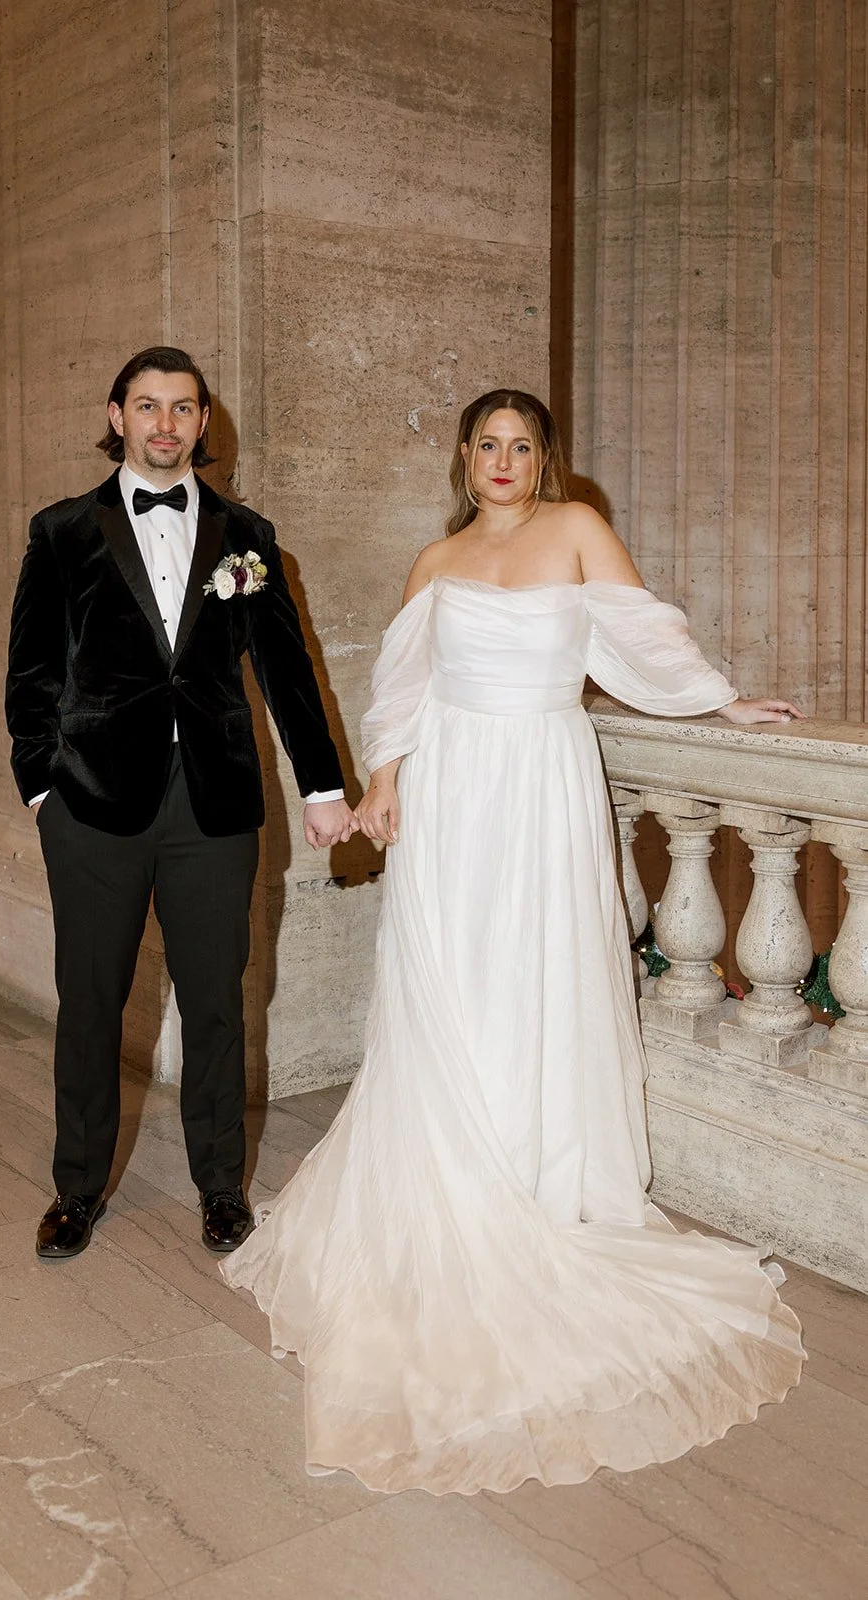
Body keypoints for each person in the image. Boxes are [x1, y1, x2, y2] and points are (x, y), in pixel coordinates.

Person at [221, 389, 806, 1495]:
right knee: (455, 977)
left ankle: (539, 1175)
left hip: (542, 778)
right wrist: (383, 784)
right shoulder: (434, 561)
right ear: (462, 455)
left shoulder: (575, 528)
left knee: (540, 972)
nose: (501, 460)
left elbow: (643, 634)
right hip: (452, 791)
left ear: (544, 458)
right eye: (485, 444)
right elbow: (401, 693)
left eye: (520, 445)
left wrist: (721, 703)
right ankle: (455, 1172)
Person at [5, 346, 357, 1261]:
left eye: (183, 407)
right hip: (90, 807)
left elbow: (286, 670)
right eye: (147, 406)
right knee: (91, 1003)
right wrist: (41, 788)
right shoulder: (61, 531)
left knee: (217, 1005)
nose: (165, 424)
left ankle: (220, 1187)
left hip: (213, 805)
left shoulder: (248, 534)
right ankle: (76, 1189)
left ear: (203, 421)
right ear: (116, 415)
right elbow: (31, 673)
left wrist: (322, 786)